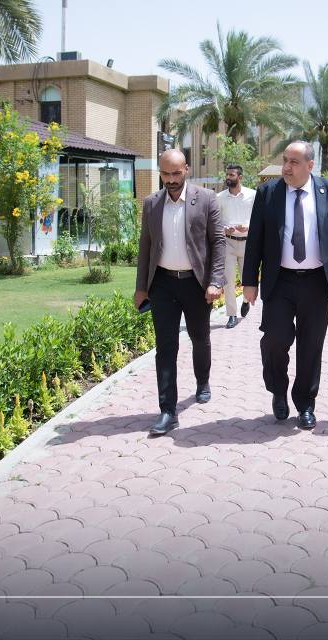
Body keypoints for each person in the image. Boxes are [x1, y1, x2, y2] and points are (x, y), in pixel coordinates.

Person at [242, 141, 328, 430]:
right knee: (274, 339)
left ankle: (305, 403)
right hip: (280, 281)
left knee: (311, 346)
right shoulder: (268, 193)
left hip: (317, 282)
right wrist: (249, 281)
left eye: (294, 162)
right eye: (285, 160)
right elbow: (255, 239)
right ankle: (278, 390)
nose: (286, 167)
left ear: (310, 165)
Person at [134, 149, 225, 436]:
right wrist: (141, 288)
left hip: (196, 284)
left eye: (176, 173)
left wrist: (216, 281)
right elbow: (146, 246)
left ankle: (202, 380)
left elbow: (218, 242)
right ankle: (167, 411)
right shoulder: (151, 203)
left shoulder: (206, 199)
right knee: (165, 347)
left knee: (200, 337)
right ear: (160, 173)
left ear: (186, 169)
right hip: (162, 284)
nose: (171, 179)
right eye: (166, 174)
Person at [216, 163, 256, 329]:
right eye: (227, 175)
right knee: (228, 281)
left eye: (231, 175)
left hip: (247, 243)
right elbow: (215, 221)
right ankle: (232, 314)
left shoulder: (252, 195)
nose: (228, 178)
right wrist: (224, 228)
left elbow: (259, 219)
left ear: (240, 177)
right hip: (228, 243)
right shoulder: (219, 197)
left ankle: (246, 300)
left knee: (248, 279)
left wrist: (248, 227)